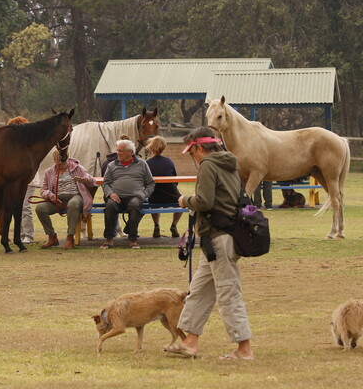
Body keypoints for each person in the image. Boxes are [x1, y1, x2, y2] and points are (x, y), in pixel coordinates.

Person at [167, 127, 254, 360]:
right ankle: (190, 344)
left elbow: (204, 201)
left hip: (219, 238)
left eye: (191, 152)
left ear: (199, 147)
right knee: (199, 291)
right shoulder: (229, 163)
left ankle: (244, 350)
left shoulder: (208, 164)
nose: (192, 157)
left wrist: (186, 200)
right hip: (217, 239)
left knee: (228, 293)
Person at [100, 139, 155, 250]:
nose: (118, 153)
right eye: (117, 150)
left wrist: (143, 195)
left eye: (121, 151)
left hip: (136, 196)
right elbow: (105, 183)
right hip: (116, 197)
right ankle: (109, 239)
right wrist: (110, 194)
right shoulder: (111, 165)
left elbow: (150, 183)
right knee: (110, 206)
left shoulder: (142, 164)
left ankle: (133, 240)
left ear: (130, 152)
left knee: (135, 205)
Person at [36, 150, 96, 250]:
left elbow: (92, 181)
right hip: (57, 200)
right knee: (40, 208)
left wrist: (85, 179)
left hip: (74, 196)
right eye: (59, 162)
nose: (62, 164)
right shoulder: (49, 172)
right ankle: (51, 236)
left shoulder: (77, 168)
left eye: (64, 162)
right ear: (54, 160)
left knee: (73, 204)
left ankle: (70, 237)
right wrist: (50, 195)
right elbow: (43, 190)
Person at [7, 116, 39, 244]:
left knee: (25, 207)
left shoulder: (30, 145)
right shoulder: (12, 145)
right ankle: (19, 234)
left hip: (28, 181)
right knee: (15, 207)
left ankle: (28, 235)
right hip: (15, 181)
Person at [145, 136, 182, 238]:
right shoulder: (169, 161)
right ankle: (174, 225)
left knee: (152, 203)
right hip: (171, 194)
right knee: (181, 202)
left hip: (154, 196)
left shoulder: (147, 163)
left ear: (151, 148)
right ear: (163, 148)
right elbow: (175, 179)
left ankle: (156, 225)